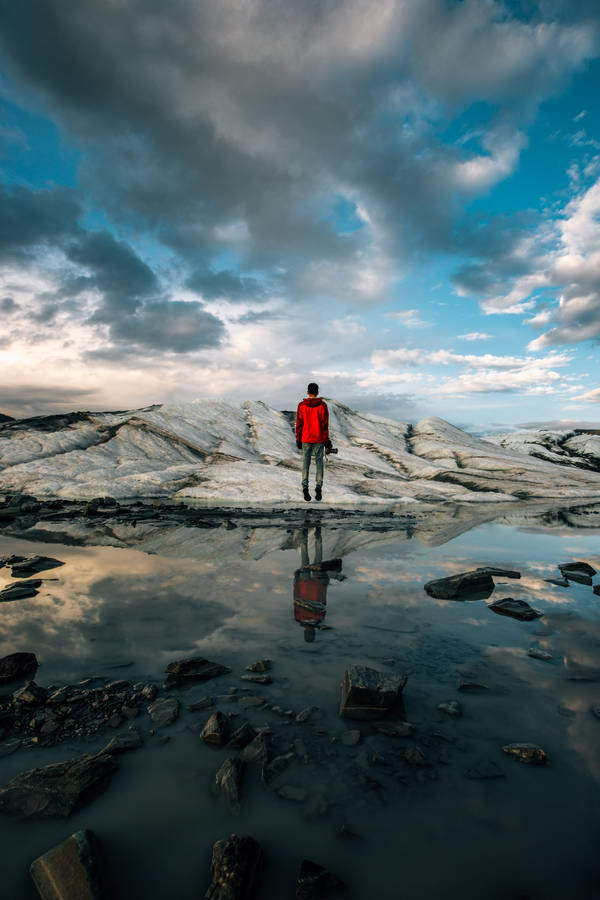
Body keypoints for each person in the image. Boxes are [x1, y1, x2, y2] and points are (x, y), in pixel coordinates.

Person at [296, 382, 332, 502]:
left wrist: (298, 438)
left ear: (307, 392)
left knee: (306, 463)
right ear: (317, 392)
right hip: (318, 438)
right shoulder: (322, 406)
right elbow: (324, 425)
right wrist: (327, 440)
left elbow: (299, 424)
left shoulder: (302, 405)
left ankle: (305, 488)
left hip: (306, 438)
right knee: (319, 463)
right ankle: (318, 487)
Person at [293, 525, 329, 642]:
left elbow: (323, 600)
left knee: (318, 559)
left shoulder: (320, 618)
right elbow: (296, 599)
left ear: (313, 632)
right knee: (305, 559)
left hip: (318, 585)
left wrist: (325, 583)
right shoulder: (298, 618)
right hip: (303, 584)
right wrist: (296, 582)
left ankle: (318, 535)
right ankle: (304, 534)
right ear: (305, 632)